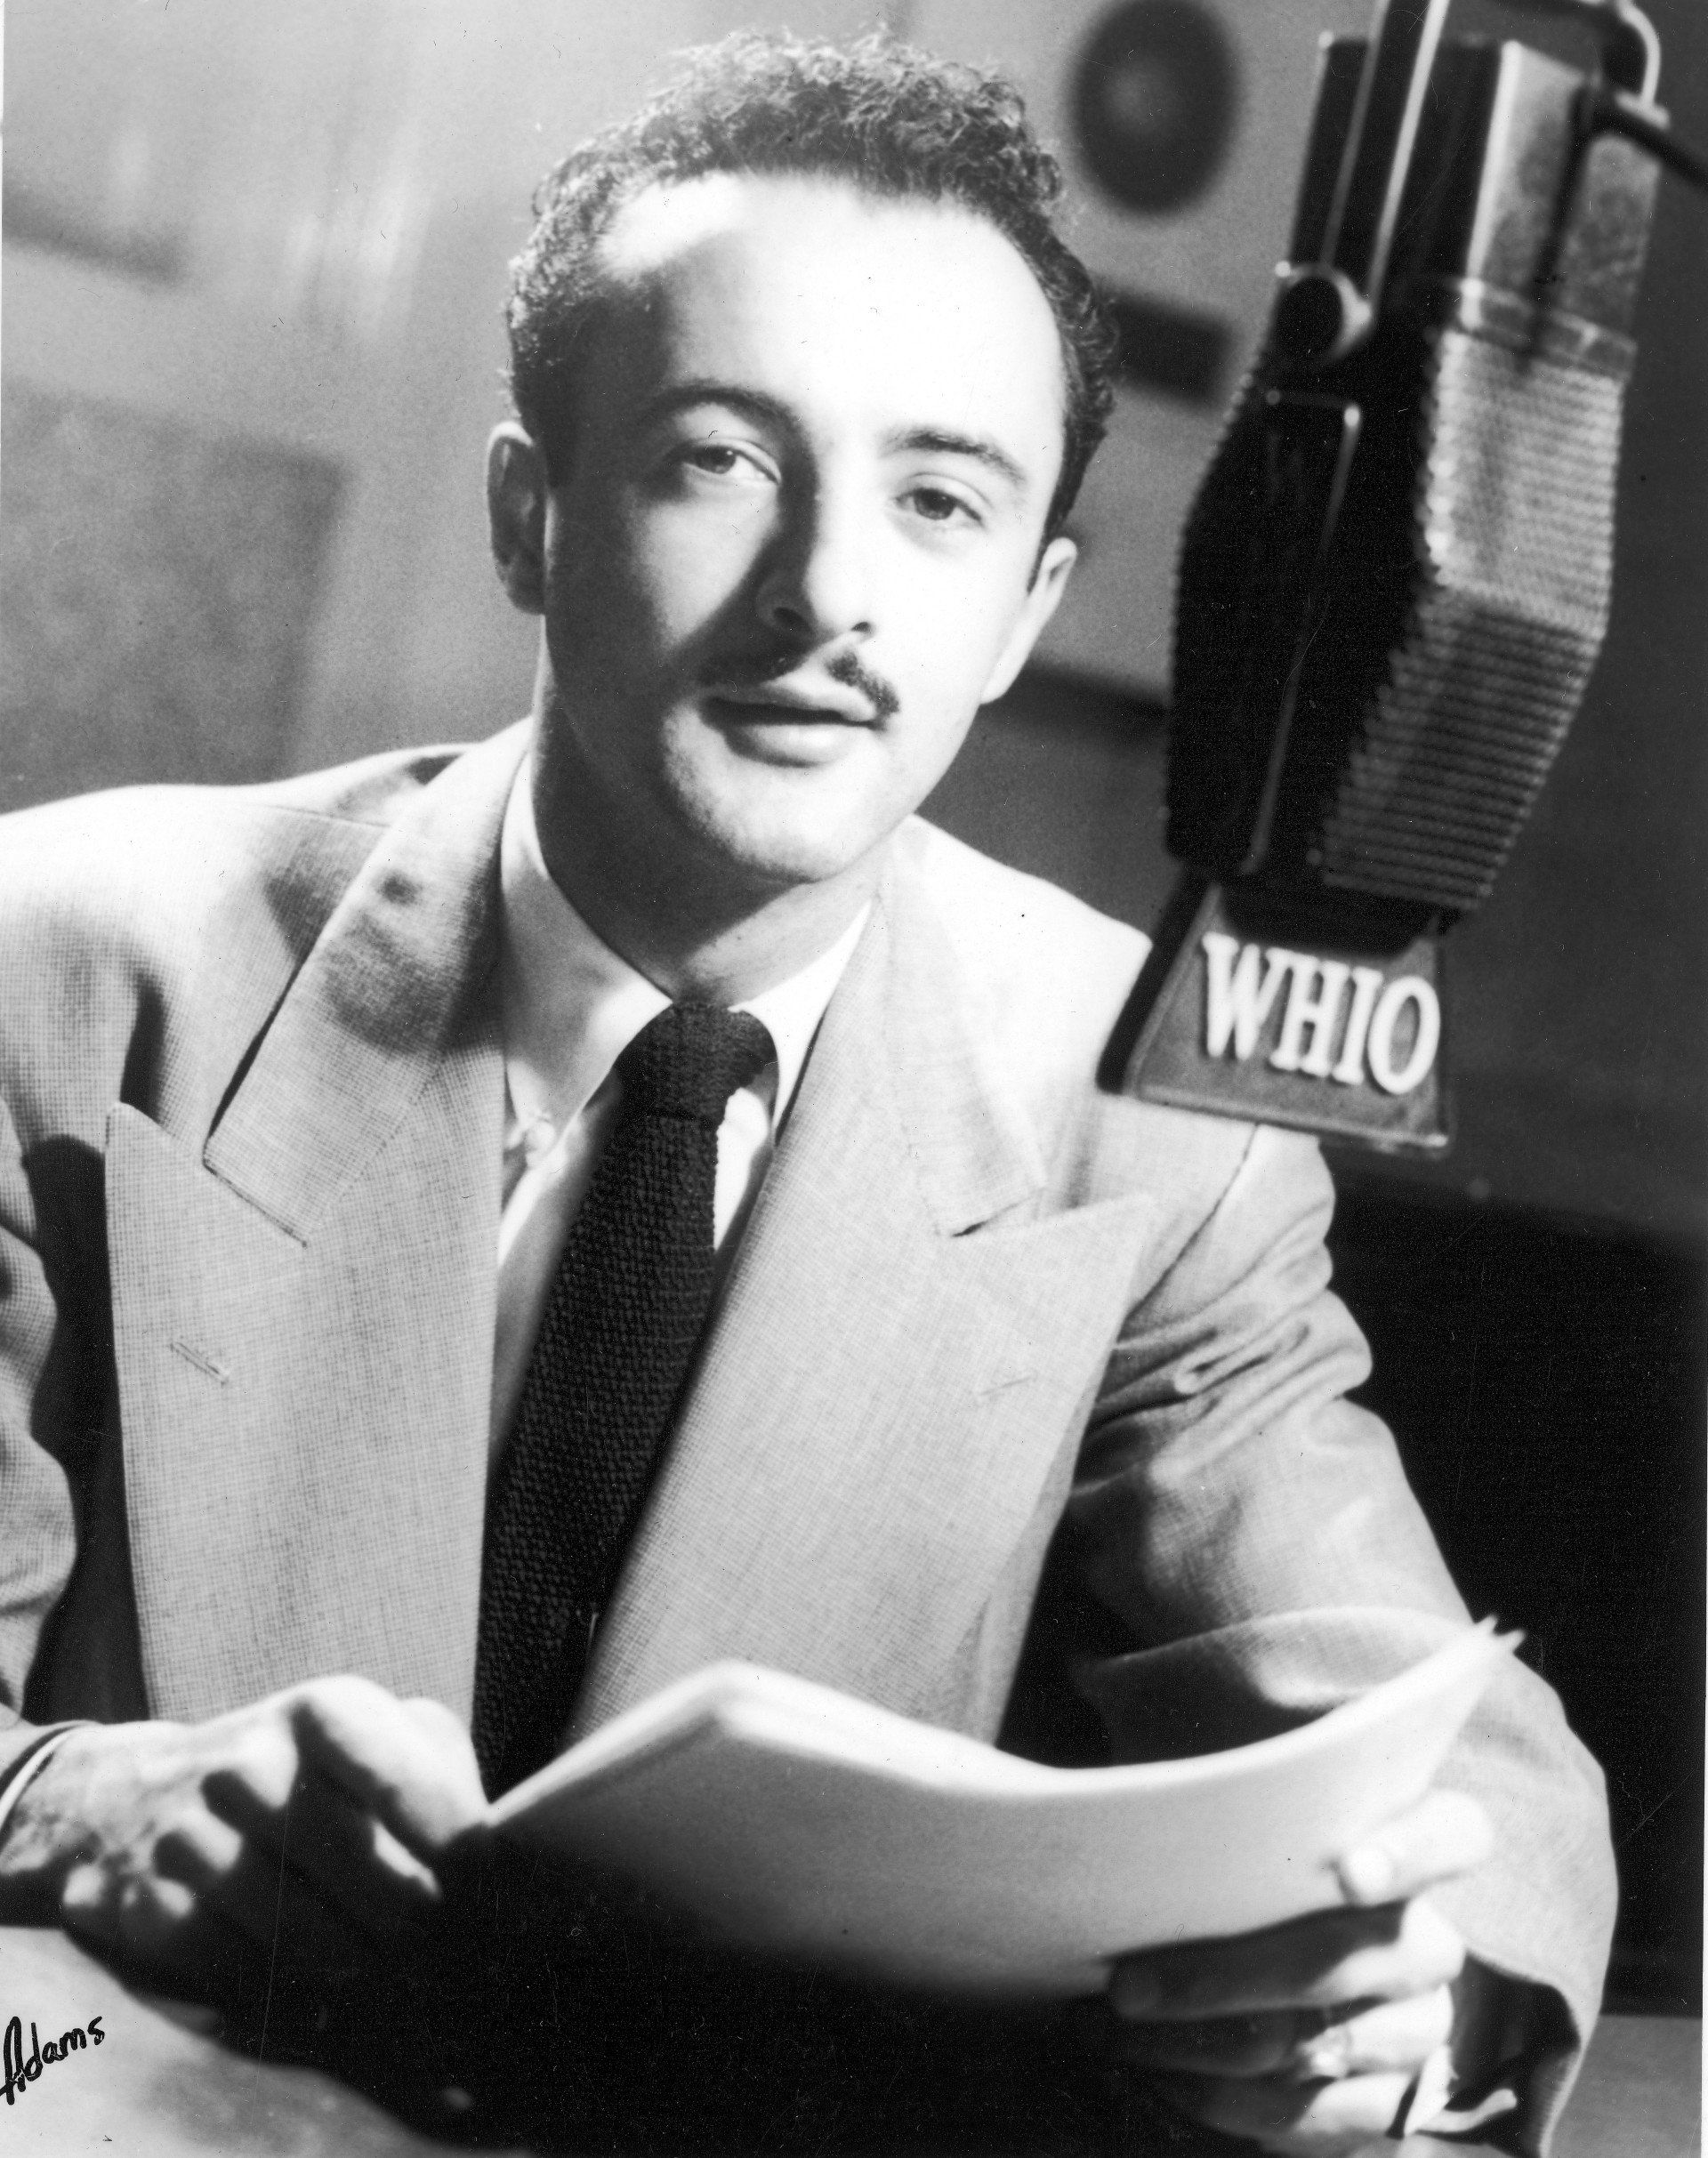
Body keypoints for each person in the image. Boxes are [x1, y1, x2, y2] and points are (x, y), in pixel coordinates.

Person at [0, 30, 1612, 2155]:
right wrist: (67, 1801)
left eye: (940, 502)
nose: (830, 597)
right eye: (722, 459)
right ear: (527, 513)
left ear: (1027, 607)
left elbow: (1446, 1735)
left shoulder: (1151, 1119)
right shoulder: (67, 965)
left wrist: (1412, 1997)